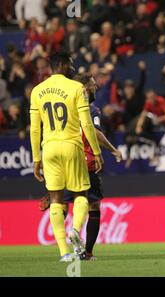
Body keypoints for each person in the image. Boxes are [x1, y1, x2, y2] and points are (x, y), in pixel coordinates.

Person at [39, 72, 123, 260]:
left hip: (62, 158)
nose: (96, 88)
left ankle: (66, 248)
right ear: (84, 87)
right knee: (92, 205)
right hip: (85, 160)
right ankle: (86, 250)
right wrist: (112, 150)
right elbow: (94, 131)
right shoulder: (91, 109)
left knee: (61, 201)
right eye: (93, 85)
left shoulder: (66, 104)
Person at [30, 52, 103, 262]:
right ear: (61, 64)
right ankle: (75, 231)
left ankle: (64, 252)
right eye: (70, 65)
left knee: (56, 199)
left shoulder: (37, 91)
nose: (73, 68)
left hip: (49, 148)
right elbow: (87, 124)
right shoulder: (76, 88)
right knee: (81, 194)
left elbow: (35, 129)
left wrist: (37, 159)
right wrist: (97, 152)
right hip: (71, 145)